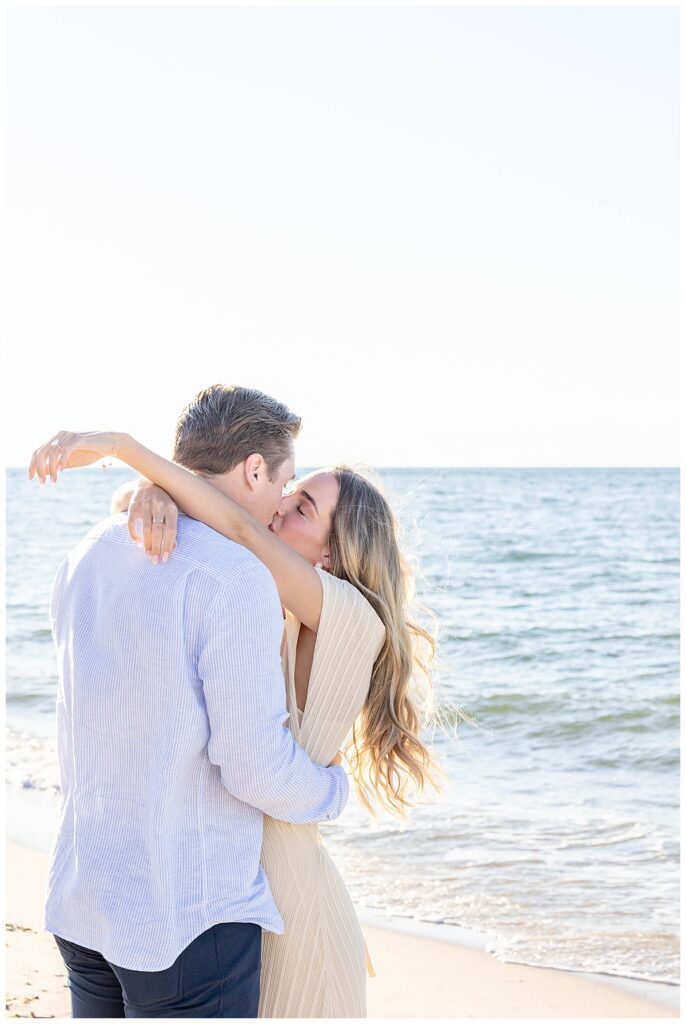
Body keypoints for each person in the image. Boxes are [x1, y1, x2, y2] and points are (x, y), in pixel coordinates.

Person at [30, 390, 441, 1018]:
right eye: (289, 488)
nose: (282, 504)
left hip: (287, 899)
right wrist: (159, 493)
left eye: (302, 507)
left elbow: (239, 526)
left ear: (335, 552)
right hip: (229, 891)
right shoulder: (265, 598)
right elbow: (212, 539)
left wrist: (128, 454)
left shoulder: (350, 620)